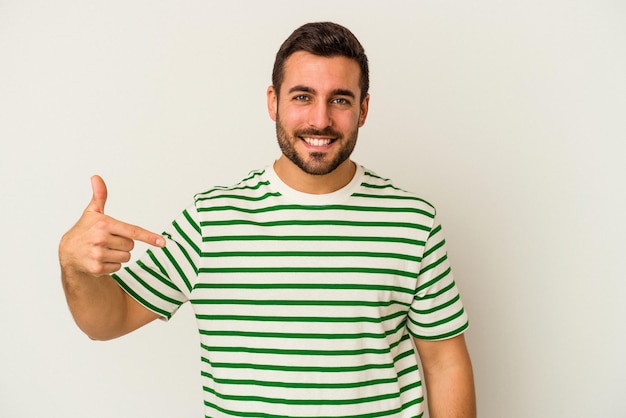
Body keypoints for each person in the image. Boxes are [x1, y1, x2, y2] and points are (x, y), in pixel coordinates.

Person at [59, 22, 476, 417]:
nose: (320, 119)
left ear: (363, 109)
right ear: (273, 102)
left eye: (340, 99)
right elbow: (106, 322)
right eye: (302, 96)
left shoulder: (411, 221)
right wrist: (74, 266)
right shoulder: (211, 221)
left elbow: (445, 362)